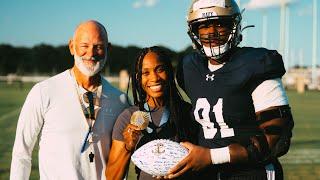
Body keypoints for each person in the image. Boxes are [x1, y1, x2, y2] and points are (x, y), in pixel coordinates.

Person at [167, 0, 294, 179]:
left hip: (250, 172)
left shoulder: (255, 63)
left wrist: (212, 156)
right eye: (203, 26)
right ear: (194, 31)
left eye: (220, 23)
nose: (211, 32)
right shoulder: (188, 68)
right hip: (207, 174)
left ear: (235, 25)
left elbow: (276, 139)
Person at [10, 20, 128, 180]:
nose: (91, 54)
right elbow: (21, 153)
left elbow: (122, 157)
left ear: (108, 49)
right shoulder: (43, 92)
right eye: (84, 46)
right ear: (72, 47)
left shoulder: (120, 100)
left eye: (99, 46)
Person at [106, 46, 197, 180]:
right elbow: (112, 177)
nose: (154, 78)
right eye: (146, 73)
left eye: (160, 70)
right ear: (138, 78)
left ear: (169, 72)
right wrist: (128, 147)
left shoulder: (188, 113)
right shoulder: (128, 118)